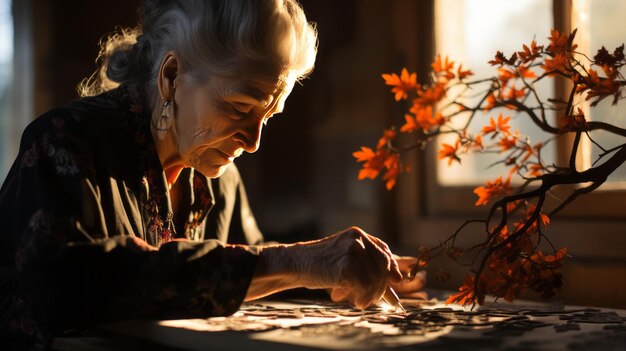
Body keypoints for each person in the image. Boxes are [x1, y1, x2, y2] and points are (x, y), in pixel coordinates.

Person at [0, 0, 425, 349]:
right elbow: (64, 285)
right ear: (170, 76)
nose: (255, 140)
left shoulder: (215, 174)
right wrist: (296, 261)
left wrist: (335, 274)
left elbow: (249, 263)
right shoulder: (65, 142)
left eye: (269, 116)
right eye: (240, 108)